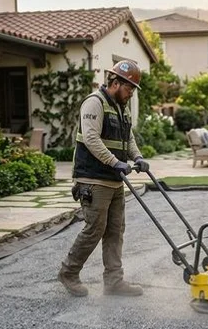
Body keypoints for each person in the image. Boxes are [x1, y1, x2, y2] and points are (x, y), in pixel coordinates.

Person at [58, 60, 149, 297]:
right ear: (116, 83)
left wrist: (137, 158)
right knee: (94, 229)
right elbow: (90, 138)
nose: (131, 94)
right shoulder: (94, 103)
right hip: (93, 179)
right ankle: (69, 272)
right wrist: (114, 162)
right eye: (129, 88)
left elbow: (128, 139)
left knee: (115, 231)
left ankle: (114, 281)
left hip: (114, 179)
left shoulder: (122, 107)